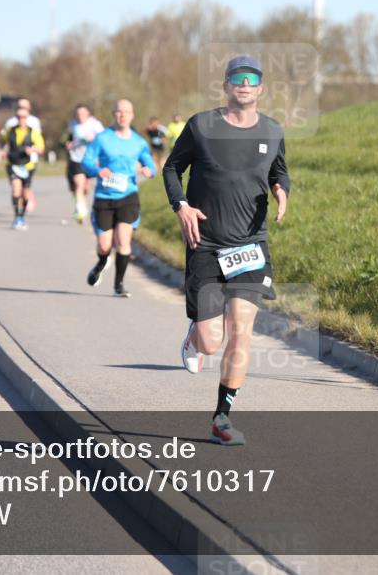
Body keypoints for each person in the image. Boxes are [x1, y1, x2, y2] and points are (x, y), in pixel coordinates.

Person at [162, 55, 289, 446]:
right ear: (226, 85)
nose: (245, 84)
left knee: (242, 332)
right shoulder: (202, 125)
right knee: (212, 342)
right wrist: (181, 206)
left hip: (251, 245)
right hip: (206, 242)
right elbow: (171, 168)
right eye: (238, 77)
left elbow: (278, 170)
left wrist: (281, 190)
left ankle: (222, 417)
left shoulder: (272, 130)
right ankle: (194, 338)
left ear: (261, 88)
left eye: (252, 79)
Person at [81, 99, 157, 297]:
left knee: (124, 241)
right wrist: (98, 170)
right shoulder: (102, 138)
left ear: (132, 115)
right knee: (105, 245)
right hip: (104, 197)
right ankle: (101, 262)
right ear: (113, 114)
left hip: (128, 196)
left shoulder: (138, 142)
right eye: (118, 112)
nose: (122, 115)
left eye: (126, 112)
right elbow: (87, 161)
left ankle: (119, 285)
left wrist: (149, 169)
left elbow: (149, 162)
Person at [0, 106, 45, 230]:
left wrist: (33, 149)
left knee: (25, 194)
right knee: (15, 189)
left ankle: (22, 216)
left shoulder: (33, 132)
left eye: (24, 117)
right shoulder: (10, 130)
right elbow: (2, 140)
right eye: (18, 117)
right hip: (13, 164)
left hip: (27, 165)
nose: (21, 119)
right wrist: (3, 151)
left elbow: (41, 148)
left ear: (27, 118)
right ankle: (17, 217)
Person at [66, 104, 105, 223]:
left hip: (92, 160)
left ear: (88, 114)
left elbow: (104, 139)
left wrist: (94, 138)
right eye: (78, 114)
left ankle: (80, 203)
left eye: (83, 114)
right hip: (77, 158)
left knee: (85, 188)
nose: (80, 116)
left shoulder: (95, 125)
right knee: (79, 183)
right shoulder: (72, 125)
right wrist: (69, 144)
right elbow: (69, 138)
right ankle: (80, 210)